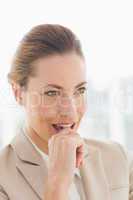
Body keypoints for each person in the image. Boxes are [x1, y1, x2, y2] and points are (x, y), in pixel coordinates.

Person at [0, 24, 132, 200]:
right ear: (18, 93)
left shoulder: (117, 158)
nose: (71, 113)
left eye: (80, 91)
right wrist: (57, 183)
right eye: (52, 93)